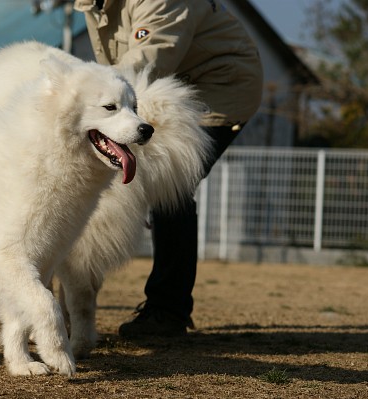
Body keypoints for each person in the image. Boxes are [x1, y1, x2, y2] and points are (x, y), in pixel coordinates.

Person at [73, 0, 263, 336]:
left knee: (171, 187)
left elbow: (146, 64)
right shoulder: (93, 3)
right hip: (164, 88)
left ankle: (168, 310)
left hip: (219, 89)